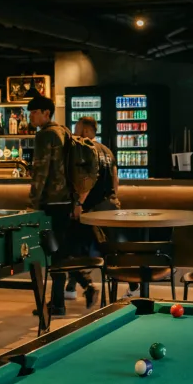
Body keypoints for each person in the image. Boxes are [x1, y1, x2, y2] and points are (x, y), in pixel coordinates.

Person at [67, 116, 124, 308]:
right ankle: (128, 284)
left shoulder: (85, 148)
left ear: (84, 130)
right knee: (109, 250)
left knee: (75, 247)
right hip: (109, 206)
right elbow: (115, 179)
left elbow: (87, 181)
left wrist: (79, 204)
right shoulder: (107, 150)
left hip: (92, 209)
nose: (74, 131)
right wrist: (115, 199)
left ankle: (78, 286)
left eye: (76, 127)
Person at [27, 95, 75, 316]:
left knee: (52, 253)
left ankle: (56, 303)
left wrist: (33, 203)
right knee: (61, 252)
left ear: (46, 113)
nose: (31, 116)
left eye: (34, 112)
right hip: (66, 201)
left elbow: (40, 172)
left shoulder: (45, 136)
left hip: (51, 202)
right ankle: (58, 301)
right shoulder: (64, 132)